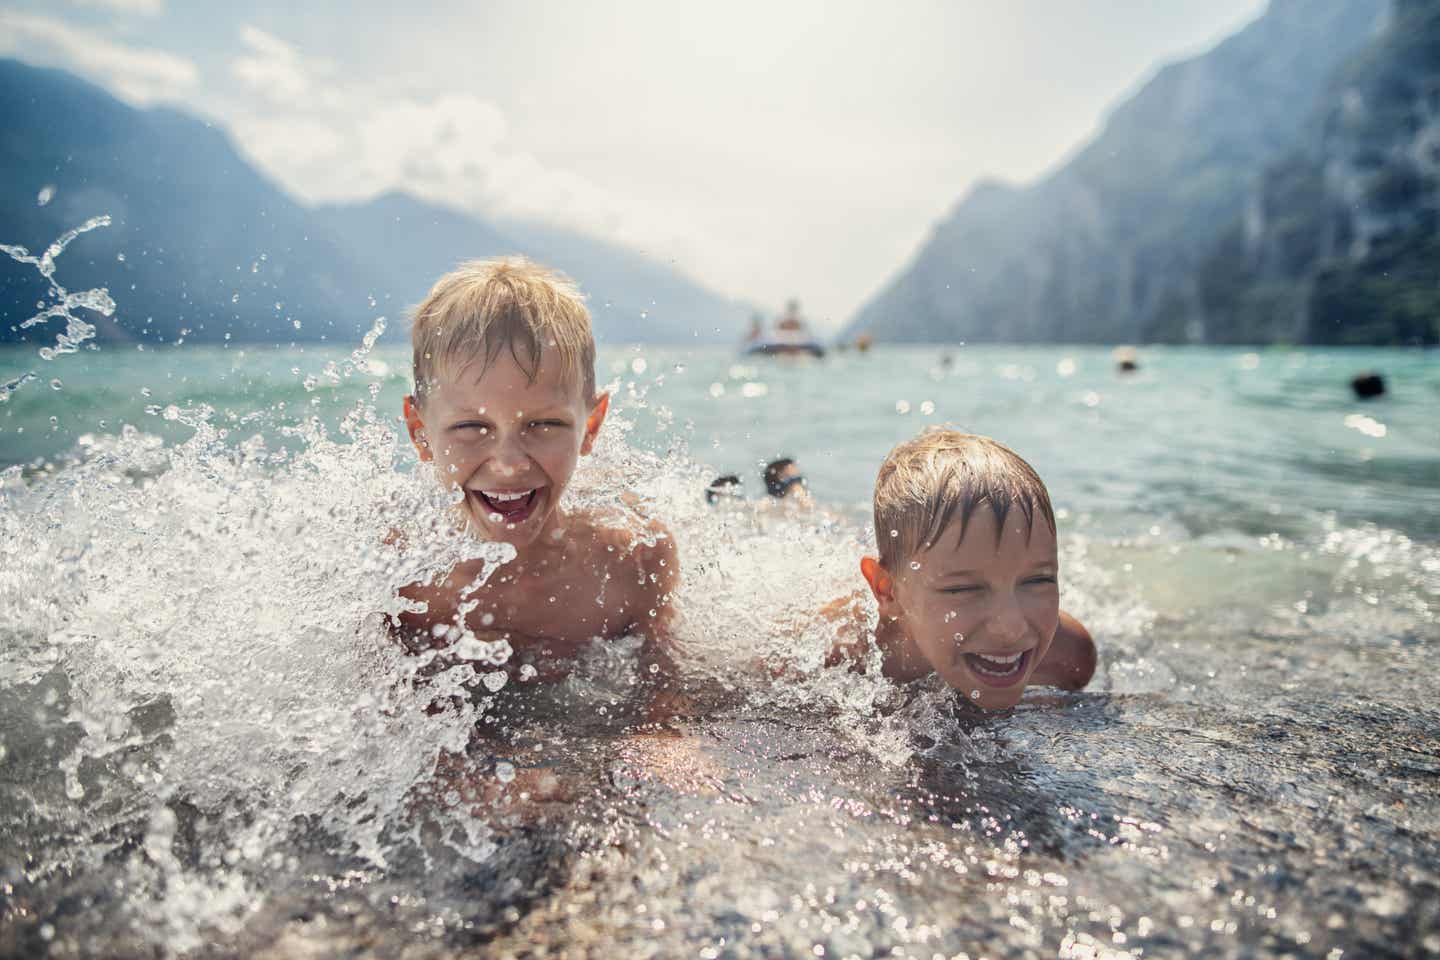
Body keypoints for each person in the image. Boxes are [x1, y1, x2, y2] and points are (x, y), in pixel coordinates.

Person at [392, 257, 683, 723]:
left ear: (591, 425)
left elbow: (663, 679)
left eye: (544, 424)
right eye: (471, 426)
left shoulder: (632, 560)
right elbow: (385, 712)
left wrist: (663, 735)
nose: (508, 465)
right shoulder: (402, 577)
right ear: (421, 433)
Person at [824, 428, 1096, 711]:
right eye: (963, 588)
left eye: (1038, 580)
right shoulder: (837, 651)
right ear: (888, 592)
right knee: (828, 523)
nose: (1011, 628)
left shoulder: (1067, 659)